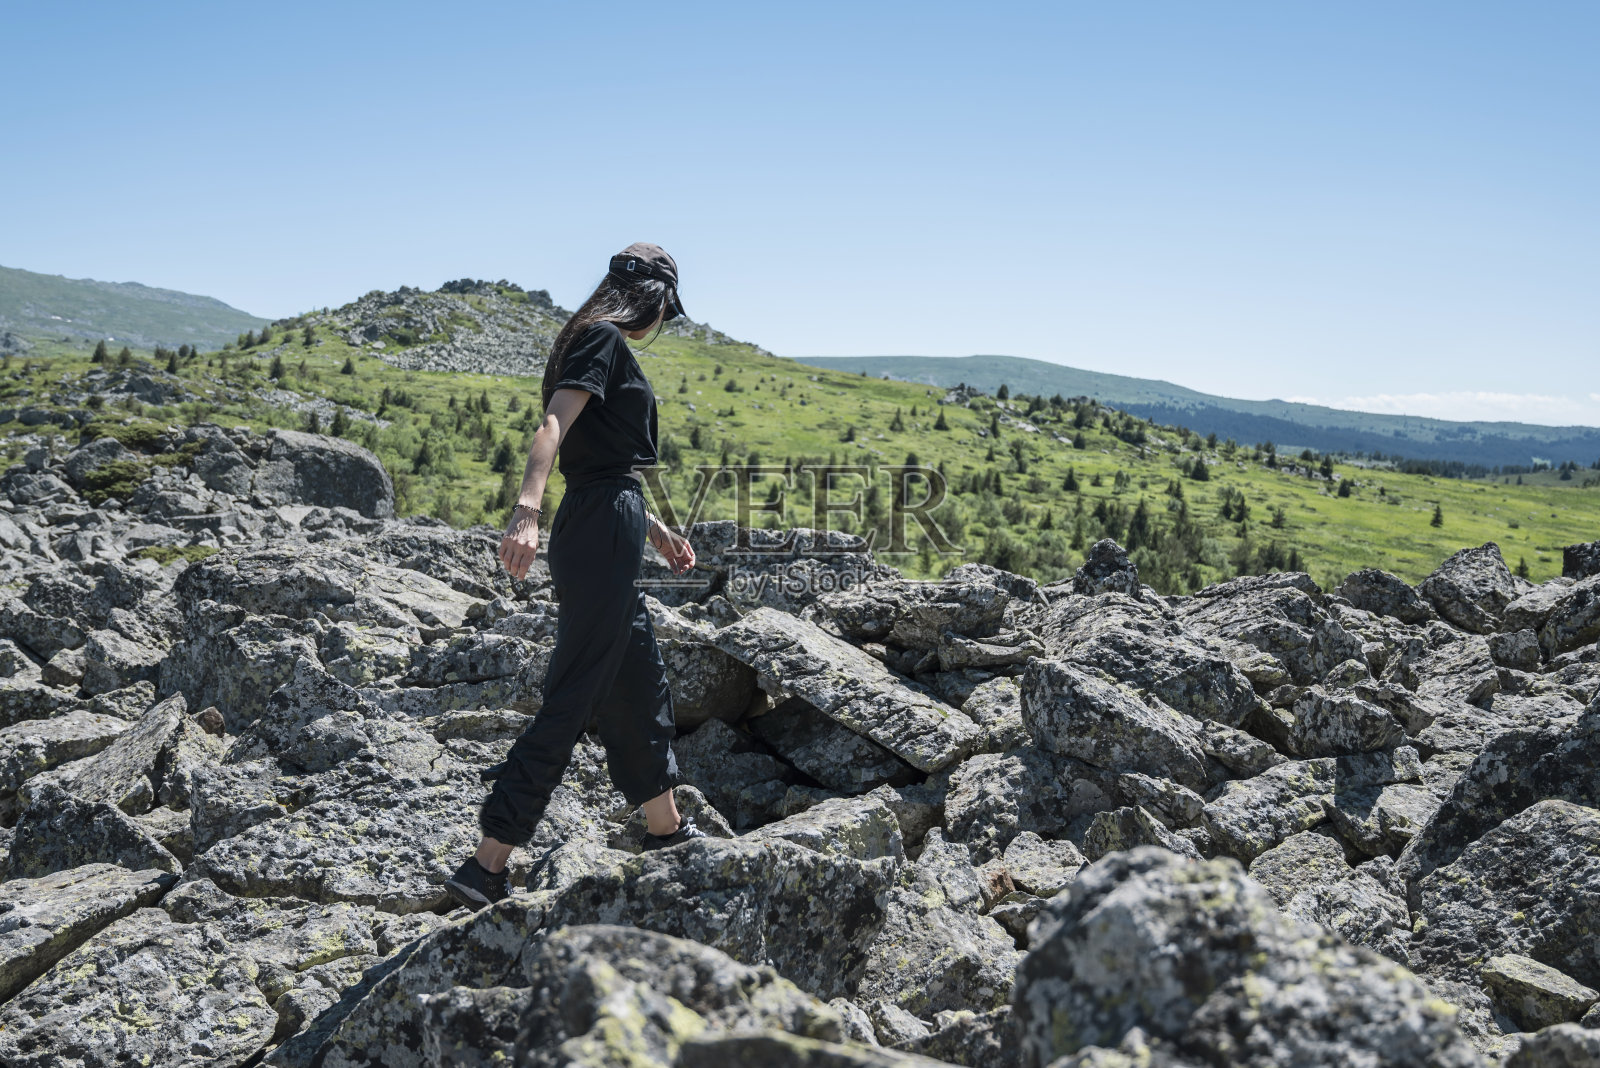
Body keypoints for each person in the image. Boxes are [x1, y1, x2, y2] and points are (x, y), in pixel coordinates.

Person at [445, 242, 707, 911]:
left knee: (637, 679)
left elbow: (603, 469)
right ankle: (488, 862)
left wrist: (658, 530)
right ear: (653, 301)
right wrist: (525, 510)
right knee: (575, 691)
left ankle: (667, 832)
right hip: (596, 528)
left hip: (610, 520)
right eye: (666, 312)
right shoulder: (603, 341)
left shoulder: (589, 340)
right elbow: (552, 427)